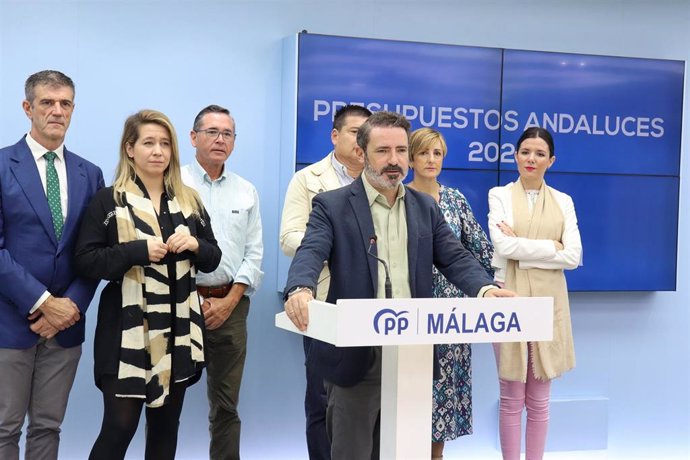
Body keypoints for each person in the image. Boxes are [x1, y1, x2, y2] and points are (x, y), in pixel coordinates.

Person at [284, 111, 516, 460]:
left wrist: (486, 290)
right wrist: (300, 287)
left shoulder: (425, 207)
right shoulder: (332, 205)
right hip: (355, 355)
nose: (394, 161)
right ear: (362, 154)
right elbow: (311, 249)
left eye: (401, 150)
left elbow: (454, 257)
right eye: (382, 151)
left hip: (413, 356)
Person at [74, 109, 222, 460]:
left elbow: (214, 258)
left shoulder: (189, 199)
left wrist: (196, 245)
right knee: (119, 427)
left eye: (165, 144)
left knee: (165, 429)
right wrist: (135, 251)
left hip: (179, 330)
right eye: (148, 143)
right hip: (126, 331)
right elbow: (86, 260)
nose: (158, 151)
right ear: (130, 149)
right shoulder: (108, 200)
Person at [0, 70, 104, 460]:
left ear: (73, 109)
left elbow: (94, 253)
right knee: (4, 428)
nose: (57, 111)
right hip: (9, 322)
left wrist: (70, 306)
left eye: (65, 104)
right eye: (47, 102)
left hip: (65, 328)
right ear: (28, 108)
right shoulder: (1, 164)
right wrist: (44, 302)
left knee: (48, 425)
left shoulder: (89, 174)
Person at [279, 104, 371, 460]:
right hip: (321, 299)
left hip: (373, 305)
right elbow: (289, 238)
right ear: (335, 135)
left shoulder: (379, 177)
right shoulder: (308, 179)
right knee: (321, 396)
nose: (361, 140)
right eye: (354, 132)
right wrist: (340, 245)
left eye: (368, 133)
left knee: (367, 395)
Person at [488, 127, 582, 460]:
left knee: (540, 398)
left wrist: (521, 246)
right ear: (515, 155)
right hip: (507, 297)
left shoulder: (563, 201)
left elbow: (573, 256)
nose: (531, 159)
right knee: (512, 394)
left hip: (549, 302)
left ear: (551, 160)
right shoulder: (499, 195)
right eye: (525, 152)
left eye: (539, 154)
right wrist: (550, 247)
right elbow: (502, 245)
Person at [181, 105, 263, 460]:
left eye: (227, 133)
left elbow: (254, 254)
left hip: (231, 306)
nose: (219, 139)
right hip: (179, 304)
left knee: (226, 406)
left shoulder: (246, 191)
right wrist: (193, 300)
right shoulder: (173, 184)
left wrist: (229, 301)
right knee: (164, 400)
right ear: (193, 137)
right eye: (212, 132)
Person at [407, 128, 494, 460]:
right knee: (411, 392)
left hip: (453, 318)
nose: (431, 160)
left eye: (437, 153)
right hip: (411, 314)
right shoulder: (399, 197)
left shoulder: (456, 200)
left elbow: (480, 252)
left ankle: (436, 455)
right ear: (411, 158)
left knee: (442, 399)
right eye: (424, 153)